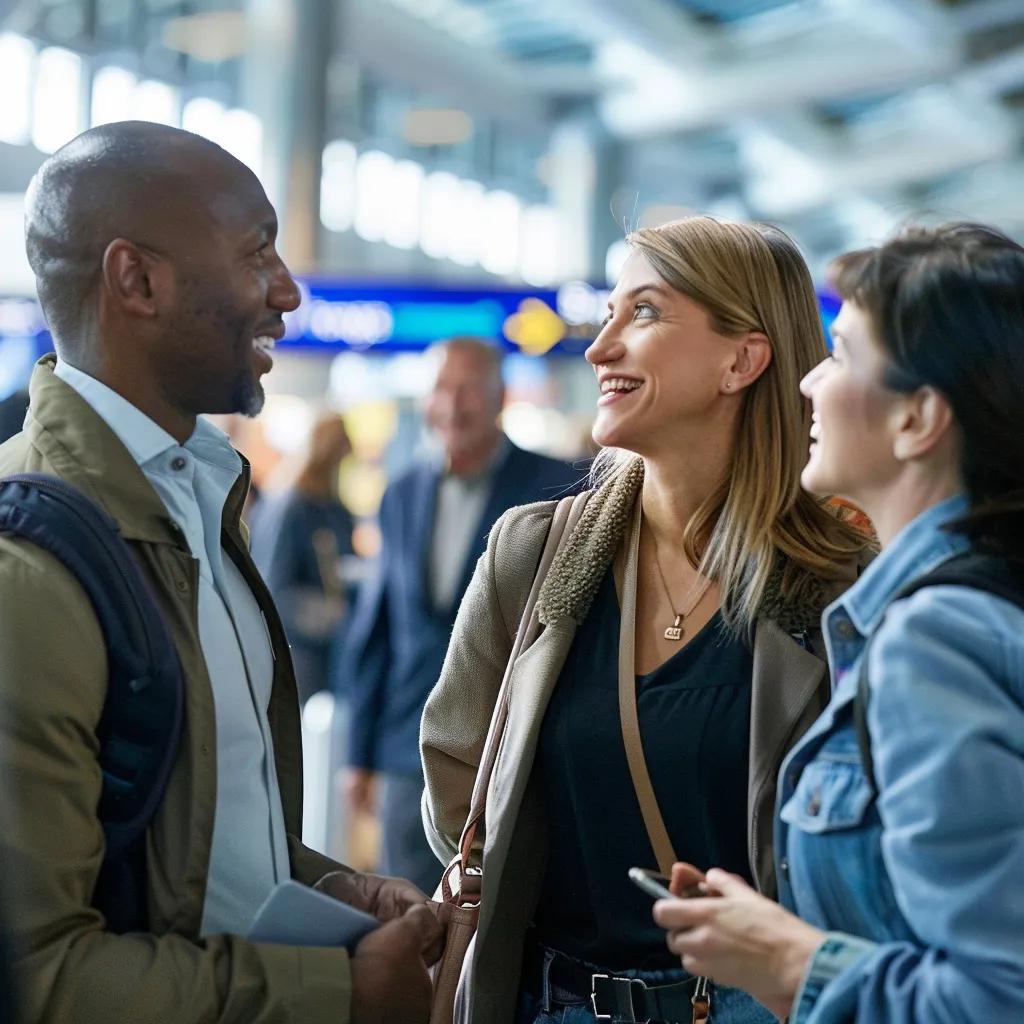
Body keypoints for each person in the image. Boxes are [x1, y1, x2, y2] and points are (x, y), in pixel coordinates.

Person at [0, 121, 442, 1024]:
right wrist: (339, 994)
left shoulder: (196, 500)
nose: (286, 290)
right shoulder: (29, 568)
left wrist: (330, 889)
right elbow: (34, 975)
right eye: (256, 255)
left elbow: (184, 833)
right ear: (139, 280)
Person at [420, 216, 872, 1024]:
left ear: (743, 358)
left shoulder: (839, 582)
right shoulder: (535, 553)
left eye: (646, 313)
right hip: (551, 1004)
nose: (600, 348)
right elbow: (459, 778)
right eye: (609, 316)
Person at [652, 223, 1024, 1023]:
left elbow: (995, 995)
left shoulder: (937, 640)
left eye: (846, 354)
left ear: (918, 418)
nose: (810, 381)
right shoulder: (991, 598)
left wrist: (791, 963)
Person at [342, 336, 579, 893]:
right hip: (410, 751)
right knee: (411, 921)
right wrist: (359, 753)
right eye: (442, 389)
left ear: (500, 398)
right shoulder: (399, 493)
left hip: (518, 749)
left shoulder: (559, 487)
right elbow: (378, 630)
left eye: (469, 389)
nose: (453, 405)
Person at [251, 412, 356, 703]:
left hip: (334, 654)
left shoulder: (336, 510)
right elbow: (274, 589)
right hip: (298, 653)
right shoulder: (290, 507)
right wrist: (331, 615)